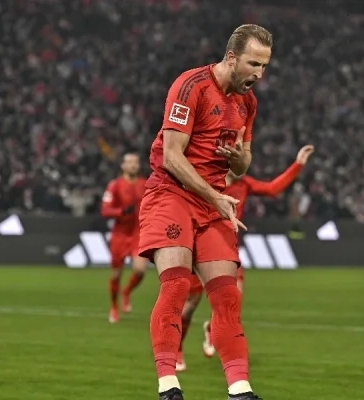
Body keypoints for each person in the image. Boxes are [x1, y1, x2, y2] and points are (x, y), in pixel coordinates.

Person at [138, 24, 272, 400]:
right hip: (170, 194)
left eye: (264, 66)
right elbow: (171, 156)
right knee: (177, 285)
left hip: (211, 201)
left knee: (227, 297)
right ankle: (168, 385)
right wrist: (215, 196)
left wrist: (239, 159)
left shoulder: (247, 103)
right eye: (253, 64)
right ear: (231, 58)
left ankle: (240, 390)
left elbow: (242, 166)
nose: (259, 74)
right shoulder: (190, 86)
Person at [176, 144, 314, 371]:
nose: (241, 163)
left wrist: (297, 164)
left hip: (227, 251)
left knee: (233, 301)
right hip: (200, 249)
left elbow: (272, 189)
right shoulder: (205, 181)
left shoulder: (244, 184)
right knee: (190, 304)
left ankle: (211, 328)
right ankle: (178, 350)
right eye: (237, 158)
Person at [100, 152, 147, 323]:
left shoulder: (145, 184)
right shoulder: (115, 185)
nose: (133, 165)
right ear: (123, 166)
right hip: (120, 234)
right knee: (115, 275)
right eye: (130, 162)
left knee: (140, 270)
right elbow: (105, 210)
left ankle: (126, 292)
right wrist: (120, 212)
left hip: (138, 233)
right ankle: (114, 306)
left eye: (136, 162)